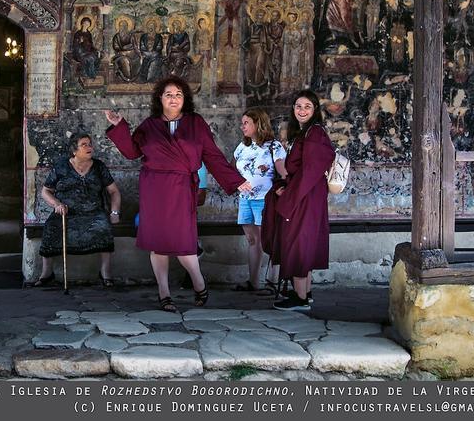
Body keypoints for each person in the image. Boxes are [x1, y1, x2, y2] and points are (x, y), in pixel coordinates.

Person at [105, 76, 251, 312]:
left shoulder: (196, 123)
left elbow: (212, 155)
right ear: (160, 99)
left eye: (179, 94)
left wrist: (236, 181)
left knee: (184, 243)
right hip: (154, 189)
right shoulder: (149, 125)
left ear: (185, 99)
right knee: (158, 243)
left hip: (182, 189)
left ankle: (199, 283)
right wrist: (120, 126)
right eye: (169, 94)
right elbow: (132, 152)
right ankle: (164, 294)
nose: (174, 99)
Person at [263, 89, 334, 311]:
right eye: (298, 106)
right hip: (304, 193)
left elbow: (311, 171)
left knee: (299, 241)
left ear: (315, 111)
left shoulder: (315, 134)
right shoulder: (304, 133)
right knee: (304, 240)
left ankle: (300, 298)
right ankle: (305, 292)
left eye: (307, 107)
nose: (302, 110)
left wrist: (289, 195)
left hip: (305, 196)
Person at [31, 133, 122, 287]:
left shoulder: (99, 167)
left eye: (90, 144)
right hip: (66, 212)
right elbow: (45, 191)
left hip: (93, 212)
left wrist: (114, 212)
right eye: (84, 144)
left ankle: (105, 272)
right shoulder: (61, 166)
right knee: (51, 228)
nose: (89, 147)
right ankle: (47, 273)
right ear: (74, 150)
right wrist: (57, 204)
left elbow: (114, 191)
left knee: (104, 228)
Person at [233, 108, 286, 293]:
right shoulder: (242, 147)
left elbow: (283, 171)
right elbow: (236, 171)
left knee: (268, 240)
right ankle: (253, 281)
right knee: (252, 239)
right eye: (242, 123)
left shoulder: (274, 146)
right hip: (245, 198)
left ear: (258, 123)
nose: (242, 126)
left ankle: (272, 281)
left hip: (265, 199)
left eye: (246, 122)